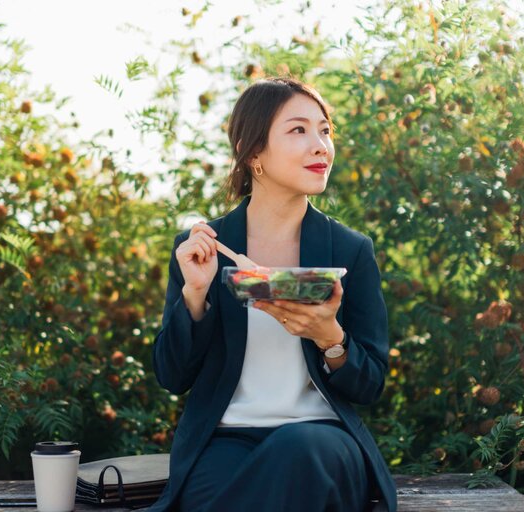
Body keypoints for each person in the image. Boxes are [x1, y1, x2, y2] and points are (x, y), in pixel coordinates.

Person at [149, 77, 396, 512]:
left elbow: (370, 383)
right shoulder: (205, 247)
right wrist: (195, 294)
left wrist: (330, 338)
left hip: (322, 438)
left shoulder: (350, 250)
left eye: (324, 130)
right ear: (253, 151)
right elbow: (172, 377)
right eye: (298, 130)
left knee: (298, 450)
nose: (320, 145)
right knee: (219, 490)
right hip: (225, 440)